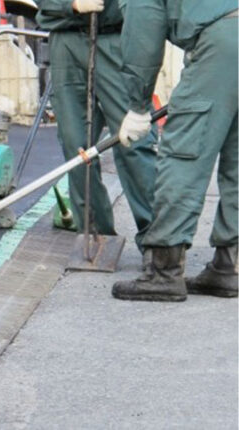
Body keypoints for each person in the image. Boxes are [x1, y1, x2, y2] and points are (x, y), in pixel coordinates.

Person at [112, 1, 238, 301]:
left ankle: (163, 272)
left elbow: (143, 33)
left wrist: (138, 106)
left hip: (222, 42)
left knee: (184, 154)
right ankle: (230, 267)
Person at [34, 0, 158, 261]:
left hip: (115, 39)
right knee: (76, 146)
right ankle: (95, 235)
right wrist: (70, 4)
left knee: (134, 140)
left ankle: (157, 243)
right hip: (65, 40)